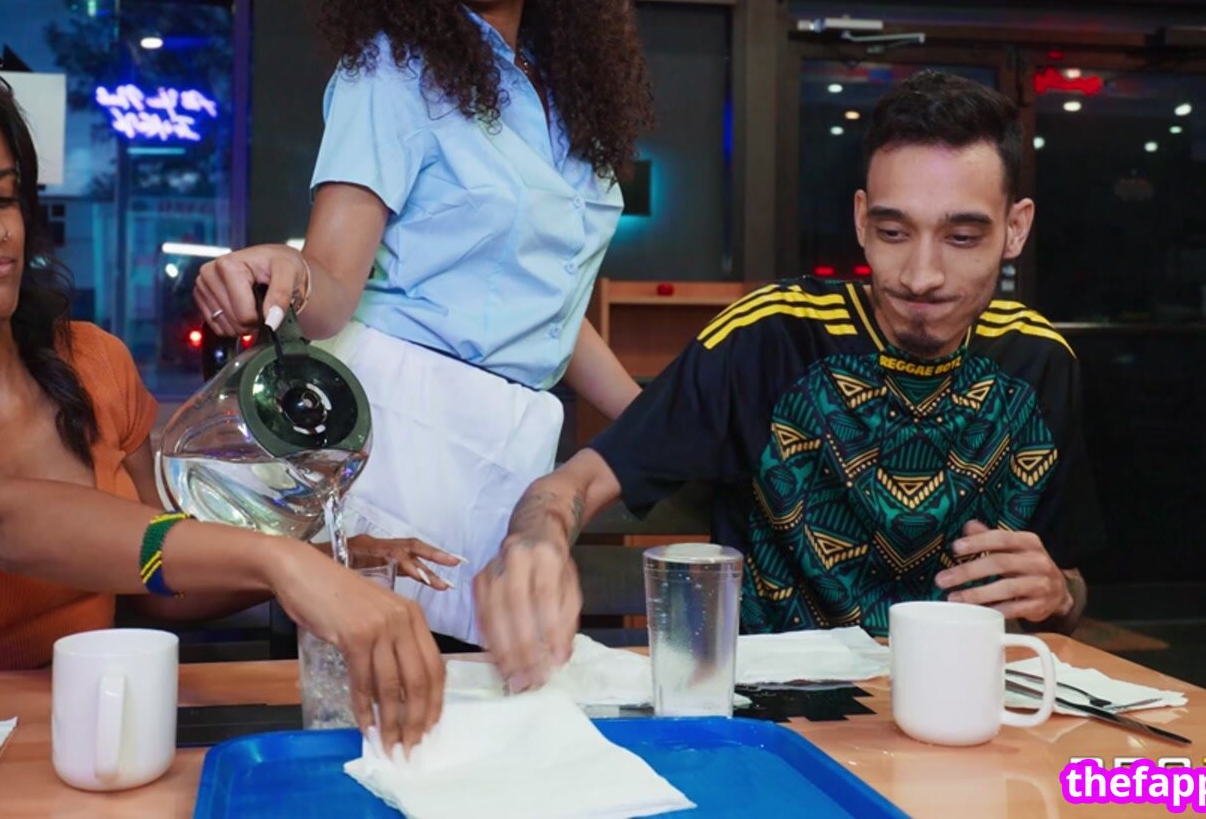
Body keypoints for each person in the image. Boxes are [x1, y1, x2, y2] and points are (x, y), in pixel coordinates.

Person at [0, 41, 441, 748]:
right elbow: (3, 524)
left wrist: (326, 559)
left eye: (4, 195)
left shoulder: (90, 361)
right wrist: (278, 561)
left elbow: (154, 573)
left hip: (104, 726)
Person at [195, 0, 654, 646]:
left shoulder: (564, 91)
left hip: (514, 437)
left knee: (495, 700)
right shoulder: (390, 72)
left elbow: (542, 302)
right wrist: (281, 271)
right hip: (401, 430)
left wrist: (655, 417)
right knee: (389, 700)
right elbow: (330, 292)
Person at [473, 71, 1106, 690]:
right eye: (892, 233)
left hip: (961, 702)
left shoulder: (1038, 362)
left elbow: (1067, 593)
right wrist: (537, 540)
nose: (921, 275)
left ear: (1015, 228)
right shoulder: (769, 338)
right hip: (776, 707)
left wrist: (1057, 593)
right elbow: (575, 483)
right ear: (861, 219)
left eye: (962, 237)